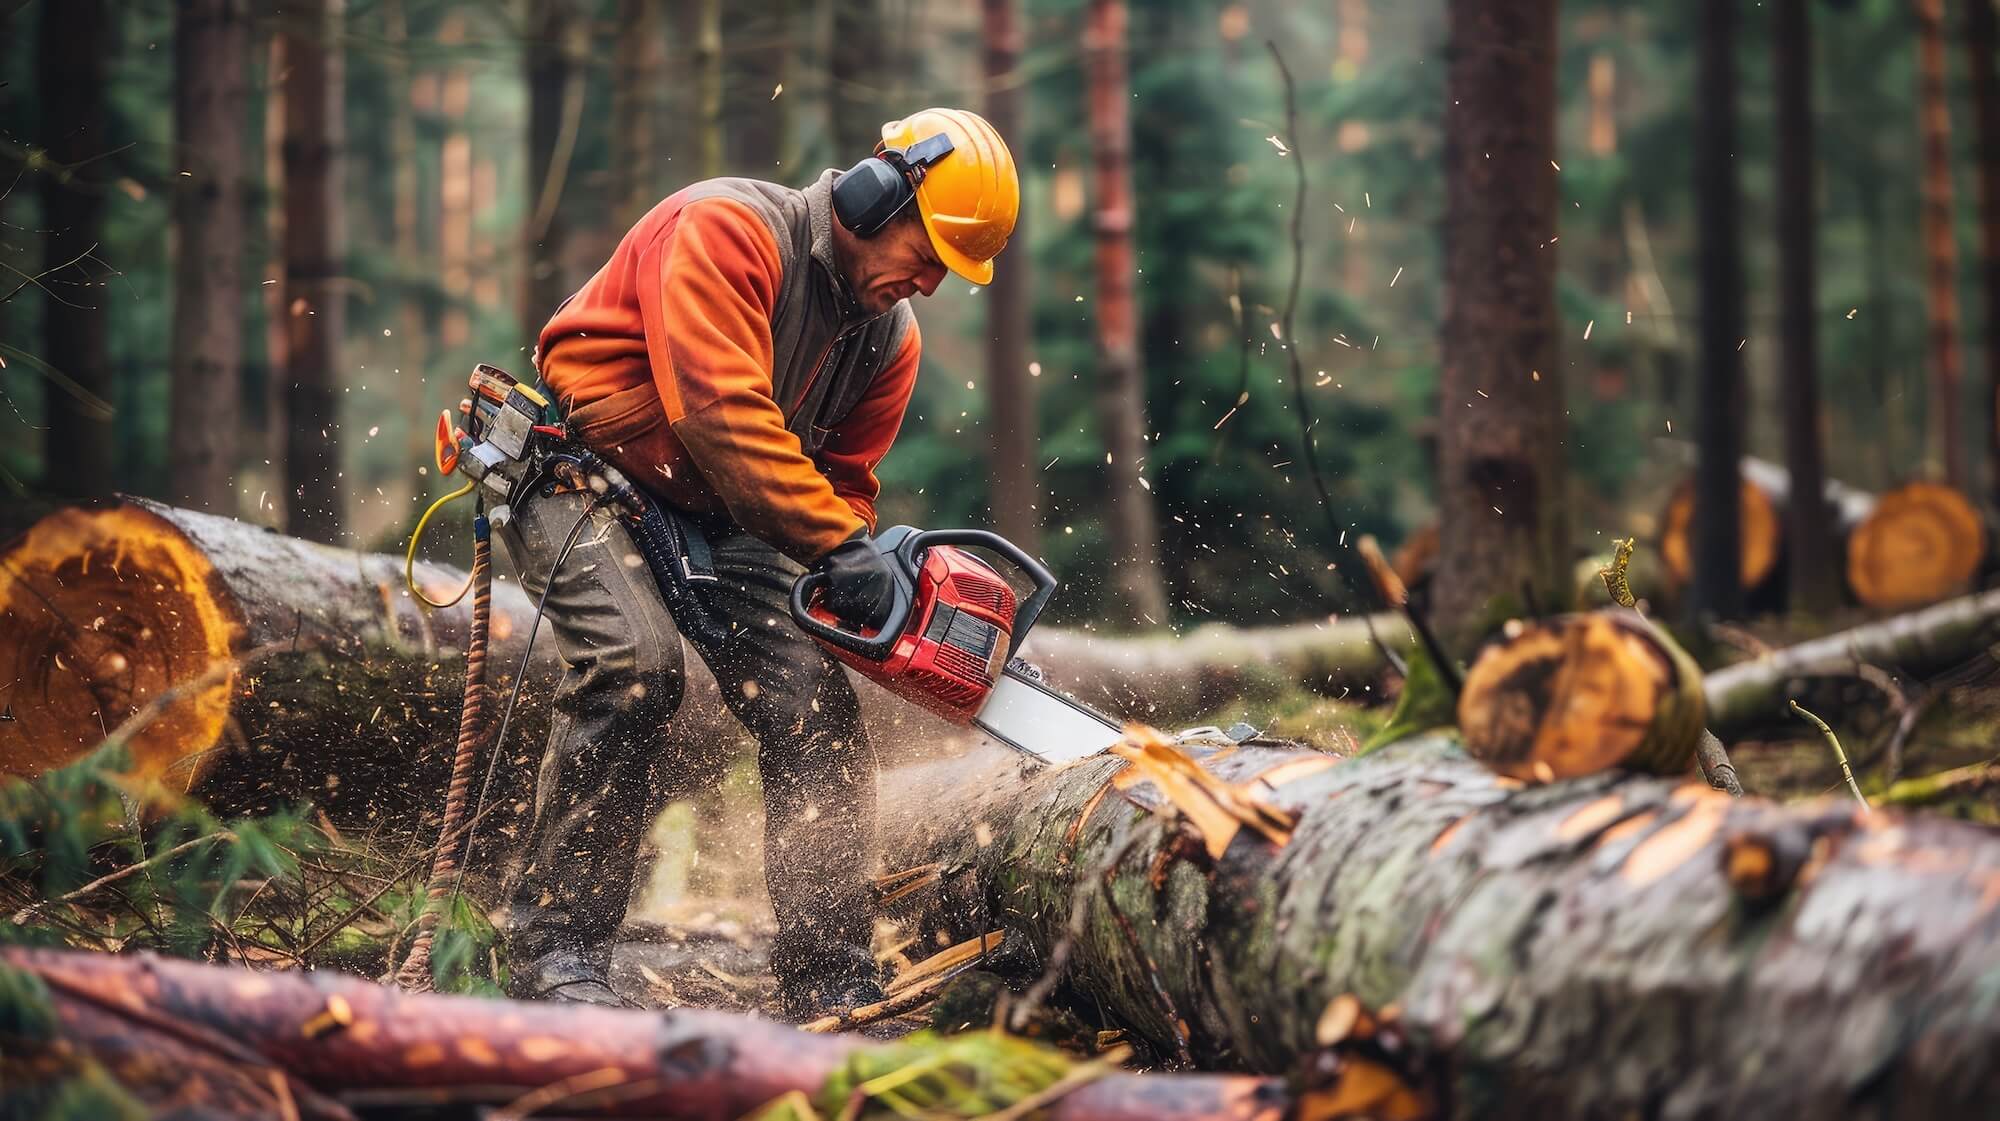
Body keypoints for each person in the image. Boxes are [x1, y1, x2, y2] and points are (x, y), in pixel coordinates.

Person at [494, 107, 1019, 1017]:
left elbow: (844, 480)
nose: (929, 285)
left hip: (730, 510)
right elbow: (721, 412)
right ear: (876, 194)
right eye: (928, 253)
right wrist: (836, 545)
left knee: (813, 702)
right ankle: (556, 951)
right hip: (579, 466)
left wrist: (853, 566)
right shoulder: (727, 229)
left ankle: (828, 972)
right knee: (634, 669)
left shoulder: (888, 340)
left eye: (948, 273)